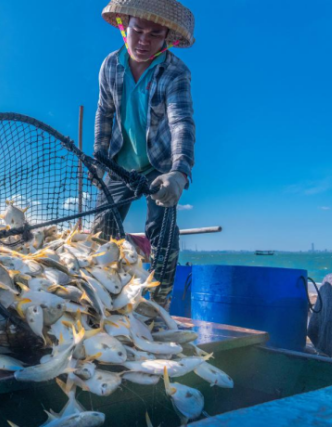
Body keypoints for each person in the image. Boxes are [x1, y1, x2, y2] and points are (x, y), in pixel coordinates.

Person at [92, 0, 196, 307]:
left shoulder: (175, 72)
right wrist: (99, 153)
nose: (143, 40)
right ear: (125, 26)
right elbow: (104, 112)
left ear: (167, 37)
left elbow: (181, 121)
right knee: (102, 228)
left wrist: (179, 171)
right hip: (119, 161)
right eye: (138, 30)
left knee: (161, 230)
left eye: (154, 33)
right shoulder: (111, 65)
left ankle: (160, 302)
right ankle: (104, 295)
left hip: (158, 165)